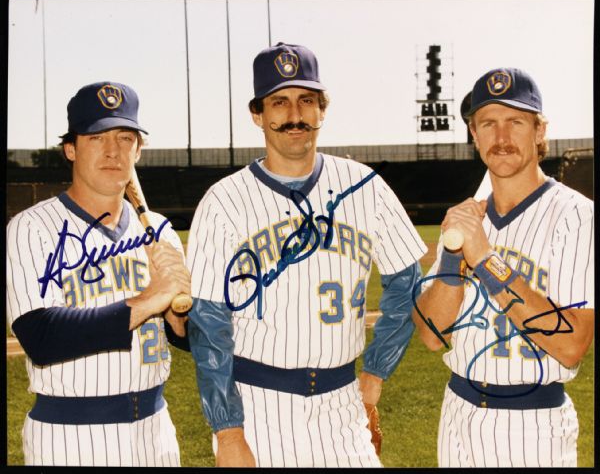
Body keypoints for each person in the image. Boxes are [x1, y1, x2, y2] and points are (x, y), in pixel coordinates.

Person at [186, 42, 427, 467]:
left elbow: (406, 282)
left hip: (343, 404)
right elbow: (208, 325)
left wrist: (373, 376)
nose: (294, 115)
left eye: (306, 101)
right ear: (258, 114)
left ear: (322, 110)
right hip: (258, 409)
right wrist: (227, 432)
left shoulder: (365, 186)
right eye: (279, 102)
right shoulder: (223, 201)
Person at [412, 67, 594, 467]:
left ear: (540, 131)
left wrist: (486, 260)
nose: (502, 137)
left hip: (534, 426)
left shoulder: (576, 216)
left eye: (515, 122)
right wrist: (456, 256)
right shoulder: (466, 219)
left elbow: (570, 344)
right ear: (474, 136)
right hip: (457, 416)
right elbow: (429, 334)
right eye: (488, 124)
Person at [6, 81, 191, 466]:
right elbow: (41, 335)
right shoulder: (32, 227)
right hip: (71, 438)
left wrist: (180, 317)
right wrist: (148, 300)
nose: (112, 151)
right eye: (96, 137)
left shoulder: (158, 229)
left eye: (125, 138)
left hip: (156, 432)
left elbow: (191, 339)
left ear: (138, 149)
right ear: (71, 149)